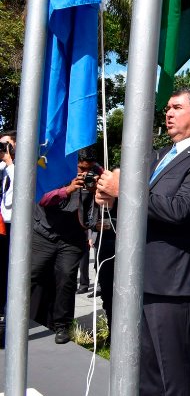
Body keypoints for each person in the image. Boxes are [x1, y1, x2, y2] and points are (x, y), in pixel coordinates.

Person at [96, 88, 190, 396]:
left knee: (172, 375)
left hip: (172, 285)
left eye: (177, 108)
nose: (168, 113)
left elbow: (178, 209)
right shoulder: (157, 156)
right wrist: (111, 199)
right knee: (143, 372)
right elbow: (143, 205)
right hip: (137, 276)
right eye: (167, 107)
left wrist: (123, 189)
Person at [29, 147, 100, 344]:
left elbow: (105, 202)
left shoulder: (97, 173)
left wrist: (97, 191)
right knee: (32, 275)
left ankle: (61, 326)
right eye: (80, 168)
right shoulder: (52, 168)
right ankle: (24, 318)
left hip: (72, 237)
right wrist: (68, 189)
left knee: (67, 279)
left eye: (88, 169)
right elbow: (42, 198)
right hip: (44, 232)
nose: (84, 173)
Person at [0, 131, 15, 347]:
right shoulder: (2, 169)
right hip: (1, 228)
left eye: (6, 145)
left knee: (7, 279)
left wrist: (11, 161)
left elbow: (13, 199)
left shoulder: (18, 169)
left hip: (14, 228)